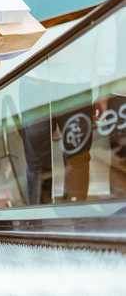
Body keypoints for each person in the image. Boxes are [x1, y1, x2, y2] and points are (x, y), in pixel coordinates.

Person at [20, 16, 116, 204]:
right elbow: (106, 29)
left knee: (38, 162)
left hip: (37, 79)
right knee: (77, 158)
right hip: (74, 85)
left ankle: (38, 221)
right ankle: (74, 219)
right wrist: (103, 90)